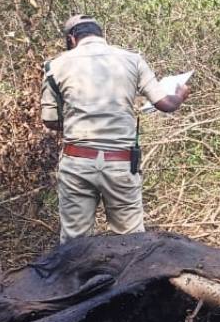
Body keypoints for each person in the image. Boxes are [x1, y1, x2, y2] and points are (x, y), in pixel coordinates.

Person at [41, 14, 190, 243]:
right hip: (120, 163)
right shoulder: (133, 60)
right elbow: (167, 104)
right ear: (101, 35)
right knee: (132, 242)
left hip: (77, 163)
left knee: (74, 243)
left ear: (72, 39)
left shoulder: (54, 66)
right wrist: (180, 94)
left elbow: (50, 121)